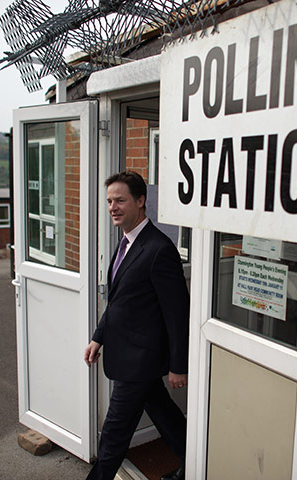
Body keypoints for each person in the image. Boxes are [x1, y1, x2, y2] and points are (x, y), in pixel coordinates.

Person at [84, 171, 189, 480]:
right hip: (128, 354)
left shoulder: (159, 249)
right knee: (166, 415)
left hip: (139, 361)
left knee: (114, 436)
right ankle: (196, 463)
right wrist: (98, 337)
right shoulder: (126, 244)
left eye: (120, 200)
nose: (113, 207)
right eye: (109, 201)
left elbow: (177, 313)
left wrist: (178, 365)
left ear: (140, 201)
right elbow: (119, 301)